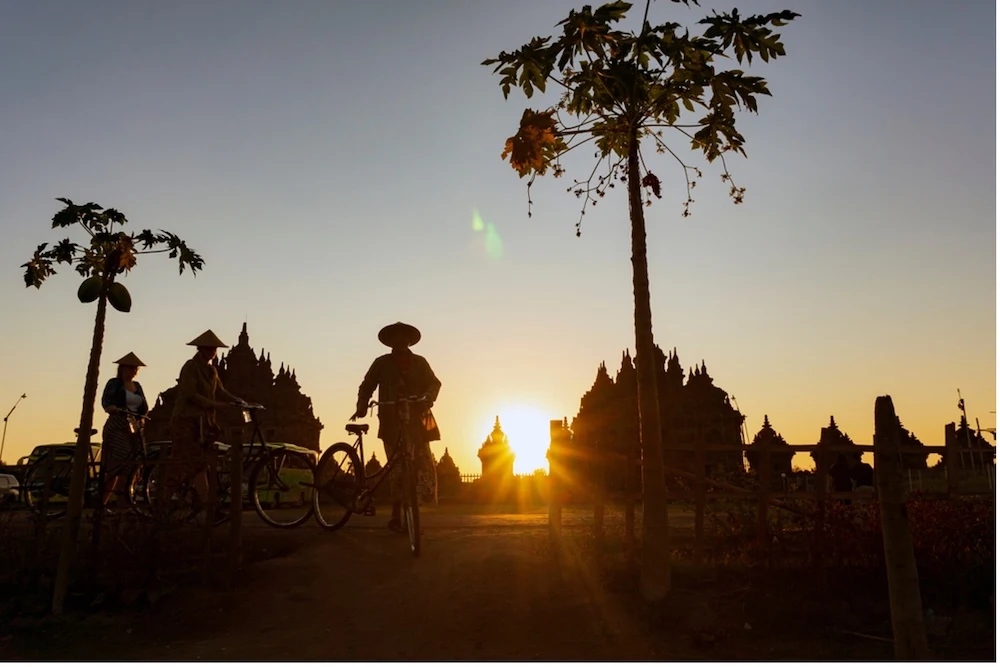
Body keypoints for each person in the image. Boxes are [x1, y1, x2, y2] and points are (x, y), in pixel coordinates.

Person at [352, 322, 441, 532]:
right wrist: (362, 406)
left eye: (404, 337)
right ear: (390, 342)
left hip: (418, 420)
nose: (400, 341)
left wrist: (428, 397)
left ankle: (412, 512)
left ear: (409, 341)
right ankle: (395, 515)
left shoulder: (420, 362)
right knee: (396, 469)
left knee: (421, 465)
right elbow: (367, 385)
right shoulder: (381, 363)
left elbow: (434, 383)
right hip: (391, 420)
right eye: (396, 338)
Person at [163, 329, 243, 517]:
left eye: (214, 348)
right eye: (209, 348)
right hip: (185, 421)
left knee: (199, 463)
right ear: (201, 349)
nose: (212, 351)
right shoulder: (190, 367)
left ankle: (205, 505)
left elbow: (221, 391)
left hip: (204, 424)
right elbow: (190, 394)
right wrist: (216, 405)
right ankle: (166, 503)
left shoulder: (212, 370)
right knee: (187, 462)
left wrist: (238, 401)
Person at [100, 352, 149, 507]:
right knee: (123, 462)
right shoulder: (114, 383)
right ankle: (112, 502)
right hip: (117, 426)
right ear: (122, 368)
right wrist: (111, 408)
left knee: (135, 461)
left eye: (135, 368)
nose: (133, 371)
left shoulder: (138, 386)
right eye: (130, 368)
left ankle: (124, 501)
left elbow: (144, 407)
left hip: (135, 428)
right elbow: (106, 401)